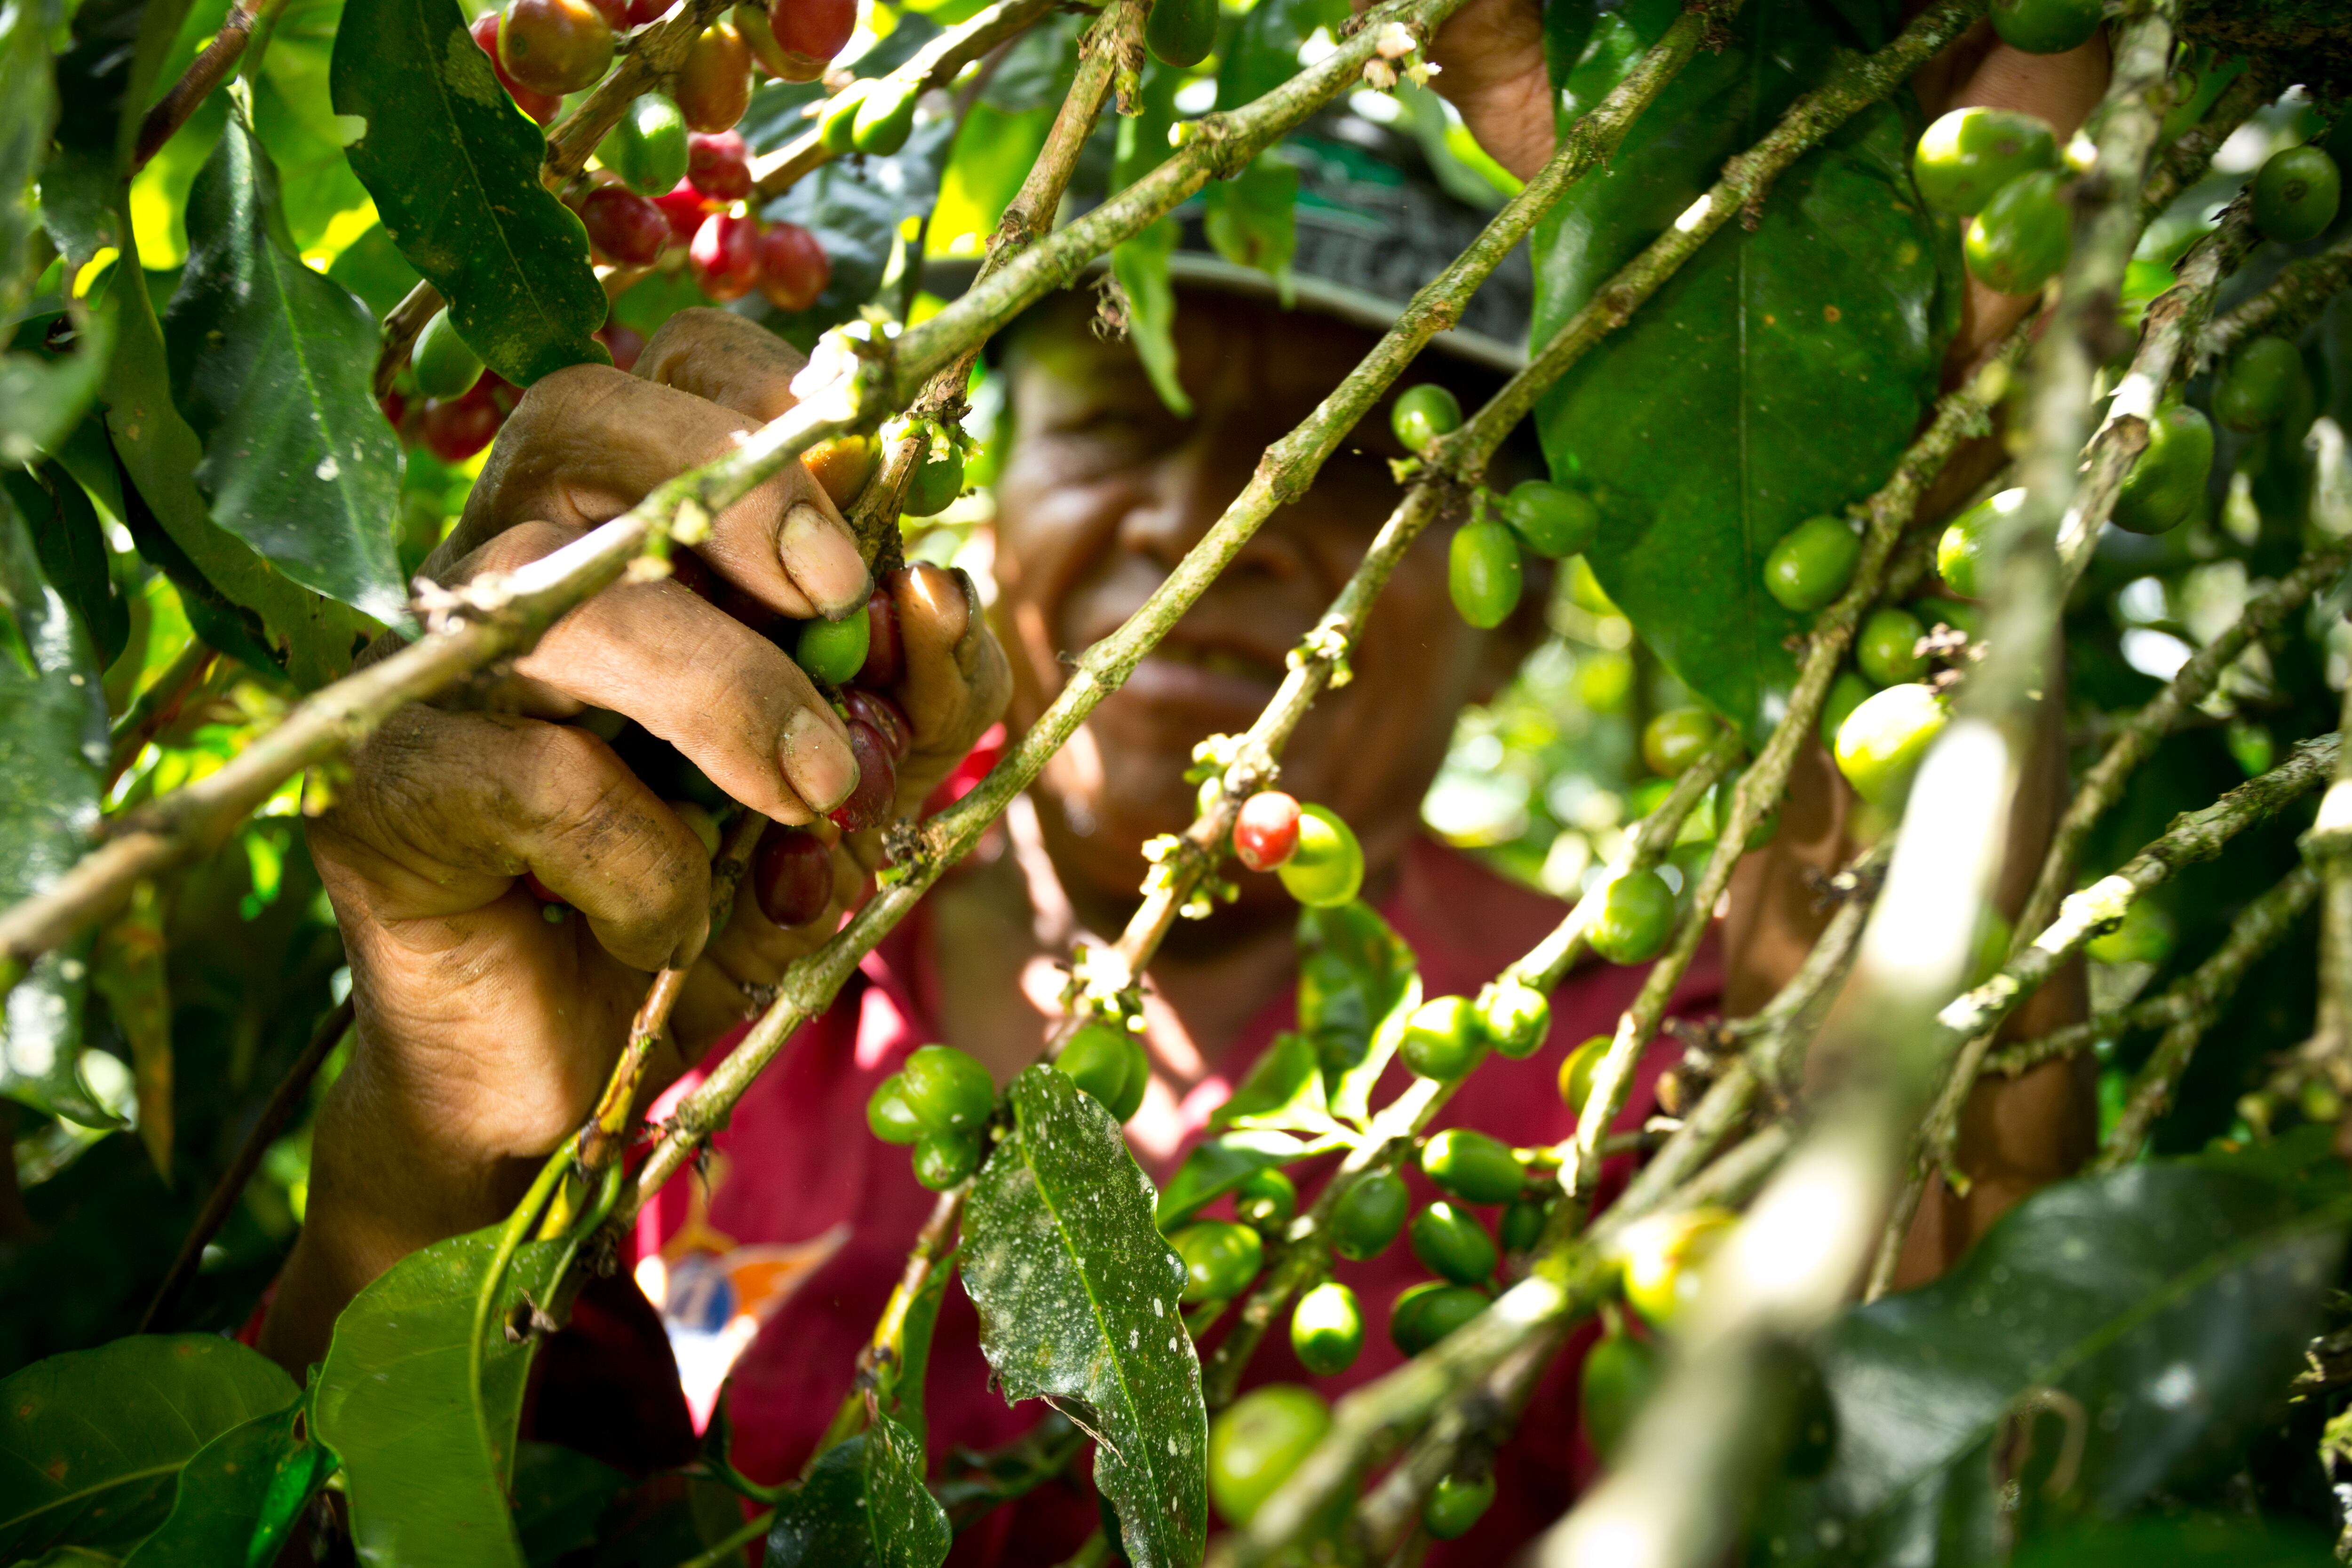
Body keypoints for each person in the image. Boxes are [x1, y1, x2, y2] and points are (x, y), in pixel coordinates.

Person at [261, 4, 2112, 1558]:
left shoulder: (1635, 1079)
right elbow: (354, 1510)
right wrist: (430, 1132)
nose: (1215, 529)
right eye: (1124, 409)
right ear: (994, 493)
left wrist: (1922, 450)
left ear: (1526, 606)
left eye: (1361, 464)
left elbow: (1927, 1428)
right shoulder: (717, 957)